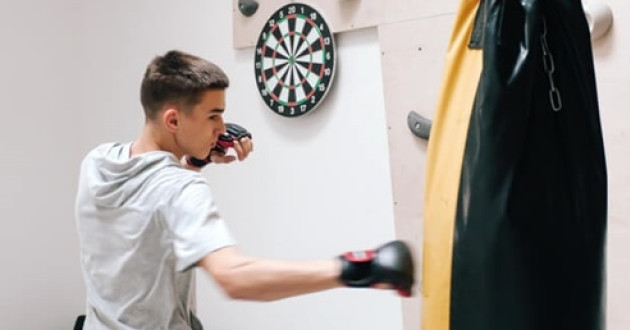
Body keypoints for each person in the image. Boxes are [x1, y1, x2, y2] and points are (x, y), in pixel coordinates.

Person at [74, 50, 414, 330]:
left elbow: (144, 211)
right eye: (213, 116)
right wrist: (356, 268)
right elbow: (235, 277)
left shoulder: (97, 163)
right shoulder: (180, 190)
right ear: (173, 121)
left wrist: (197, 160)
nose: (222, 127)